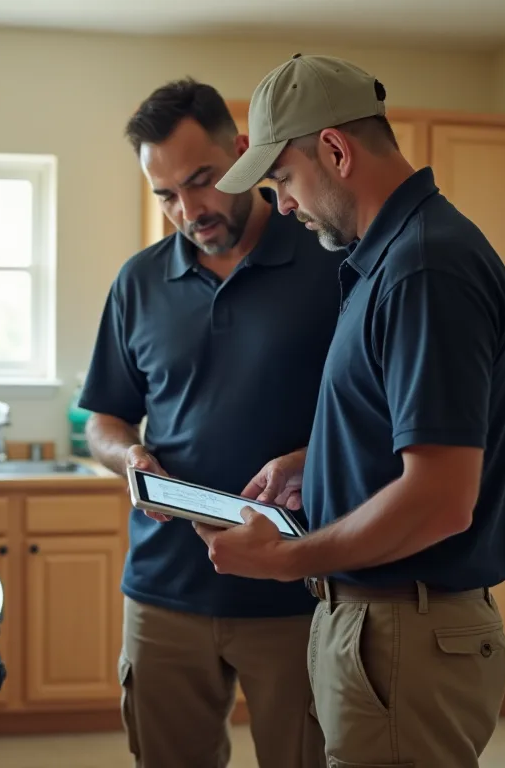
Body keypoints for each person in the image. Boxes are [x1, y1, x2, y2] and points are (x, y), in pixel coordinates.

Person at [197, 54, 505, 768]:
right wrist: (317, 466)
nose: (282, 205)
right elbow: (415, 436)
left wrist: (287, 559)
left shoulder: (425, 268)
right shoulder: (390, 260)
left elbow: (440, 499)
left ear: (336, 151)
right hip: (383, 629)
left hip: (406, 631)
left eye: (283, 178)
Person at [77, 78, 343, 768]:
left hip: (298, 588)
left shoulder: (330, 259)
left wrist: (312, 457)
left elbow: (377, 412)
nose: (188, 209)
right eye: (165, 195)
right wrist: (128, 457)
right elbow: (102, 419)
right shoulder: (138, 283)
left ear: (244, 153)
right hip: (165, 591)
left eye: (202, 180)